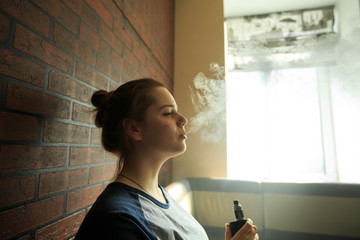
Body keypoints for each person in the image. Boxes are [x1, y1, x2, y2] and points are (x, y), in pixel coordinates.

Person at [74, 78, 259, 240]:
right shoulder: (116, 220)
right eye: (168, 113)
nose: (183, 119)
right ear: (134, 129)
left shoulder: (162, 195)